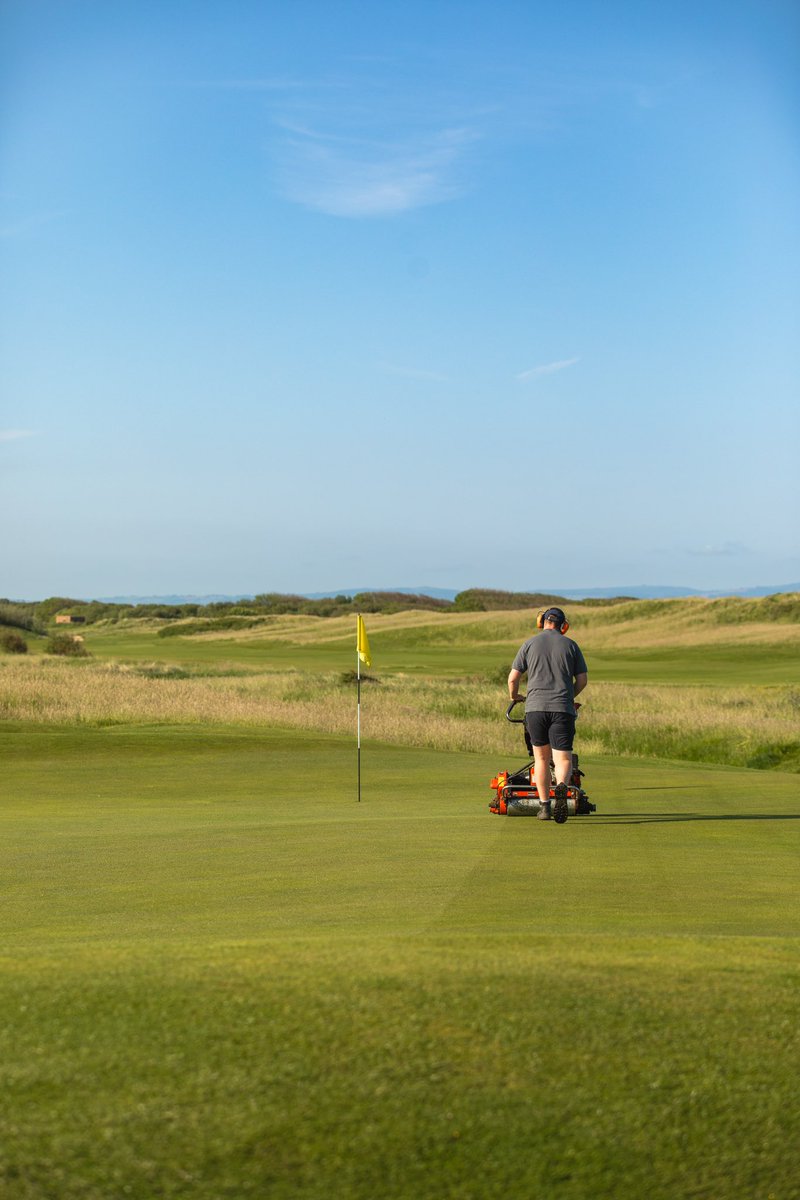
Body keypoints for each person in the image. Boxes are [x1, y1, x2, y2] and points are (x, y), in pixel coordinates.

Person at [507, 607, 588, 823]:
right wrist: (569, 695)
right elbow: (582, 680)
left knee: (541, 758)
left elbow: (512, 679)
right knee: (562, 758)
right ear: (564, 626)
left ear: (541, 622)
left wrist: (516, 697)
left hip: (535, 709)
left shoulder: (529, 644)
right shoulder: (571, 645)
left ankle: (544, 807)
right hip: (562, 708)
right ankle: (561, 785)